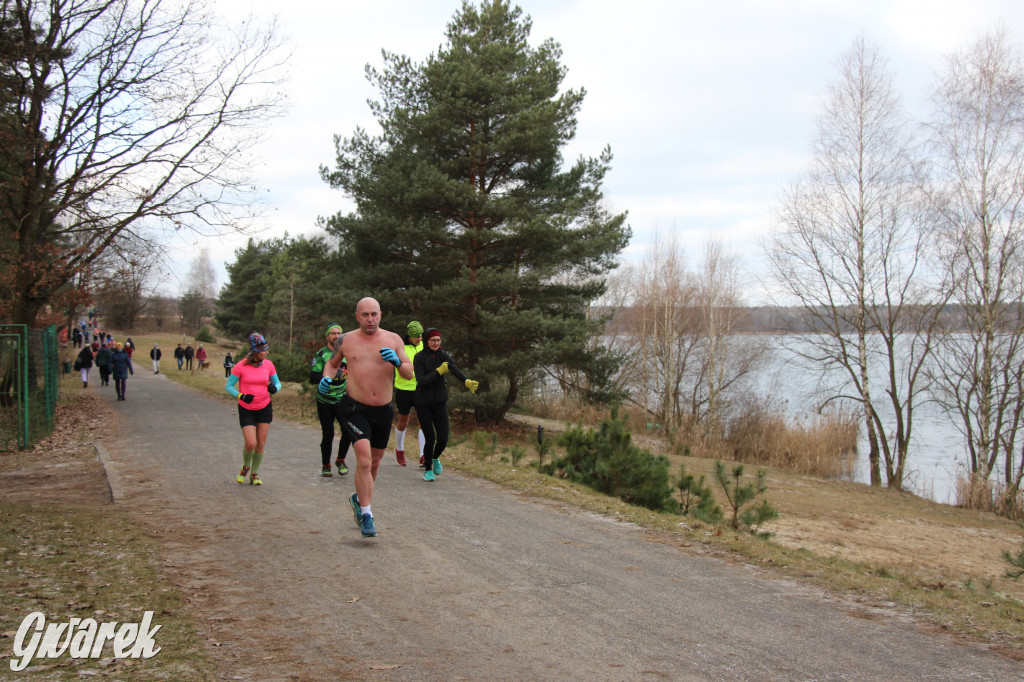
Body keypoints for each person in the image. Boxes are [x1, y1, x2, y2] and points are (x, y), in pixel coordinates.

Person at [320, 297, 413, 538]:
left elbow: (409, 371)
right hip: (354, 409)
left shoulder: (393, 339)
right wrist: (326, 378)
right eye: (365, 315)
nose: (370, 319)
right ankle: (367, 514)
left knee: (375, 462)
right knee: (363, 460)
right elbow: (331, 365)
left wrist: (397, 361)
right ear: (357, 316)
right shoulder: (346, 340)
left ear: (381, 314)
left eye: (374, 314)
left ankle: (358, 499)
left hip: (383, 410)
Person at [413, 328, 479, 482]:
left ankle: (435, 458)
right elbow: (421, 381)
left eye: (438, 340)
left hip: (439, 402)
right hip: (423, 403)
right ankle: (428, 469)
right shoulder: (419, 357)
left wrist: (466, 381)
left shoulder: (444, 356)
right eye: (433, 340)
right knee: (430, 438)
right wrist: (438, 372)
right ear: (426, 341)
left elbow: (455, 369)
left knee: (443, 438)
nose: (436, 343)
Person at [225, 333, 282, 487]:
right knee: (251, 443)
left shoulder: (268, 365)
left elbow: (278, 384)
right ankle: (245, 467)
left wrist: (274, 388)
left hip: (264, 407)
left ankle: (255, 473)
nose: (267, 352)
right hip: (246, 408)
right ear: (256, 351)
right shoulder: (240, 366)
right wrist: (241, 396)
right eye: (264, 350)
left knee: (260, 444)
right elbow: (228, 386)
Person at [310, 322, 351, 477]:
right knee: (328, 434)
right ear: (327, 336)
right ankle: (325, 465)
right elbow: (313, 377)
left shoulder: (348, 353)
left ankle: (341, 460)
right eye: (333, 333)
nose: (336, 336)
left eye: (339, 333)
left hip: (343, 399)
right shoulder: (321, 354)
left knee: (347, 431)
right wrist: (328, 377)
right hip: (325, 400)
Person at [392, 320, 425, 467]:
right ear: (410, 336)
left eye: (421, 335)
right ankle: (399, 448)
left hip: (421, 389)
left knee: (423, 422)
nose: (420, 339)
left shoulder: (424, 346)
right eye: (417, 336)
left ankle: (423, 455)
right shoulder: (401, 348)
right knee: (403, 422)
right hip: (404, 389)